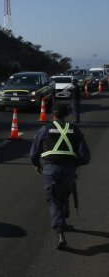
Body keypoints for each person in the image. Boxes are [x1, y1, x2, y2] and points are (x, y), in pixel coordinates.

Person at [29, 103, 90, 249]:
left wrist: (37, 165)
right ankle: (63, 218)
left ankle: (60, 231)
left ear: (52, 115)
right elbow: (85, 156)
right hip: (68, 169)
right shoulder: (75, 129)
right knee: (64, 195)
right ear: (66, 115)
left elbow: (33, 153)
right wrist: (73, 164)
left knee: (53, 199)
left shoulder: (44, 129)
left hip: (50, 168)